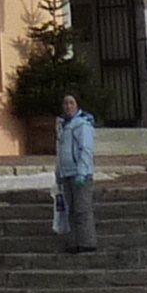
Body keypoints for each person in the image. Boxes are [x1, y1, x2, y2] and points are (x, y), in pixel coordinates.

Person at [54, 91, 100, 254]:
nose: (68, 106)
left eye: (71, 103)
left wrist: (81, 171)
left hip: (80, 174)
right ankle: (73, 241)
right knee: (70, 210)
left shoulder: (82, 125)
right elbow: (60, 152)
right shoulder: (62, 125)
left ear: (77, 105)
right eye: (65, 103)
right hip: (66, 174)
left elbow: (86, 149)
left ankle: (87, 241)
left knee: (82, 208)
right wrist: (58, 173)